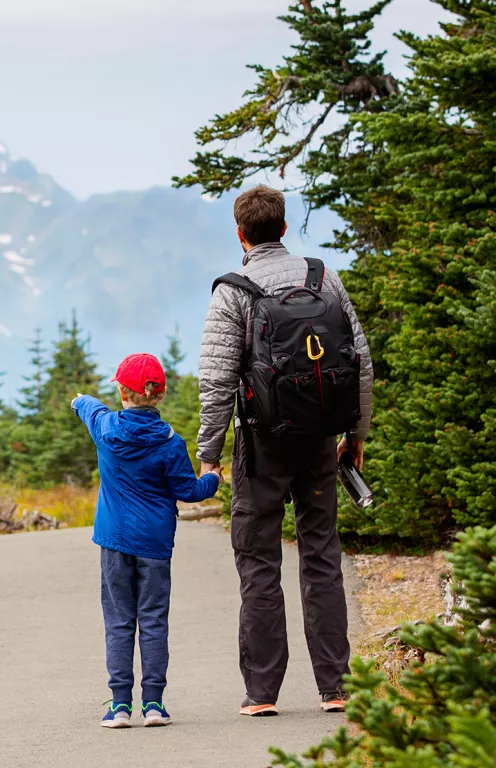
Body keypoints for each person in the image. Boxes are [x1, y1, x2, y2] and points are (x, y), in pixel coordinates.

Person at [196, 185, 373, 717]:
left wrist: (208, 454)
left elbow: (216, 381)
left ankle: (262, 693)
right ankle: (336, 687)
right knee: (321, 556)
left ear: (241, 233)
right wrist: (355, 435)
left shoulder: (234, 290)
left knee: (258, 564)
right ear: (284, 228)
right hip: (320, 442)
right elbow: (360, 361)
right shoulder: (323, 277)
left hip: (262, 444)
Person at [72, 353, 222, 729]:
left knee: (119, 621)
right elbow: (188, 491)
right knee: (154, 620)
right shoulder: (171, 442)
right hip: (155, 545)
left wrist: (78, 401)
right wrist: (214, 478)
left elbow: (89, 406)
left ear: (122, 392)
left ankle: (119, 705)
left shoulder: (105, 427)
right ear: (160, 395)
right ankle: (154, 704)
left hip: (113, 542)